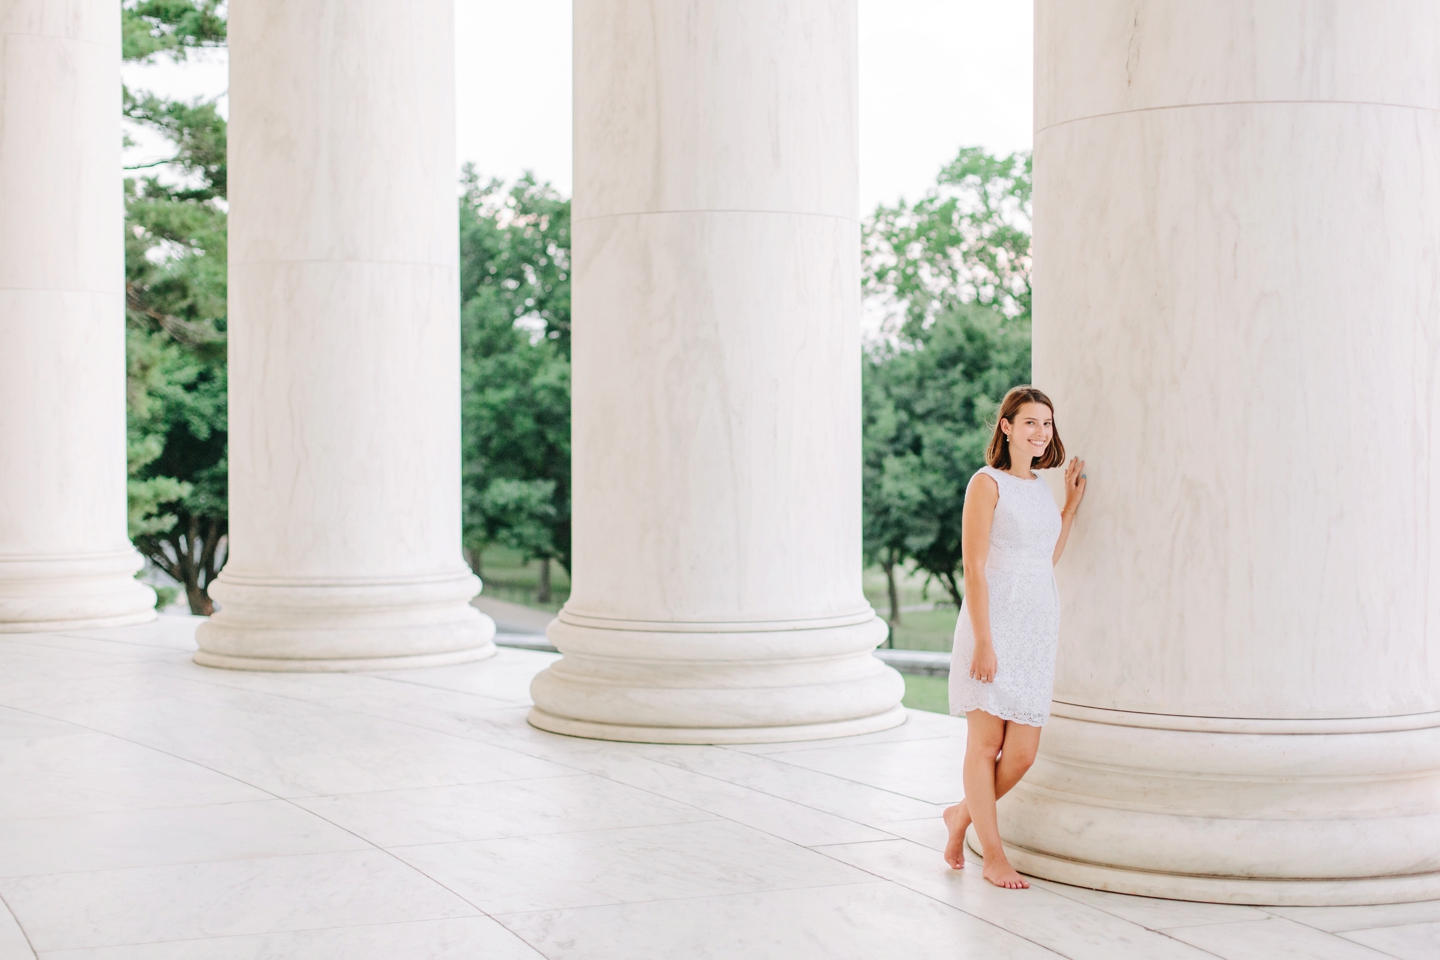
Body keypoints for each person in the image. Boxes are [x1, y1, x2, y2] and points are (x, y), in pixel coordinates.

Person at [941, 385, 1086, 889]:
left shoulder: (1040, 489)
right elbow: (975, 568)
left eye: (1046, 423)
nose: (1041, 432)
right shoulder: (986, 484)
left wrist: (1067, 511)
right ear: (1006, 426)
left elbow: (1042, 559)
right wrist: (984, 641)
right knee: (985, 745)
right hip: (993, 623)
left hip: (1036, 627)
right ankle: (994, 854)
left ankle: (960, 815)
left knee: (1022, 752)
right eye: (1030, 422)